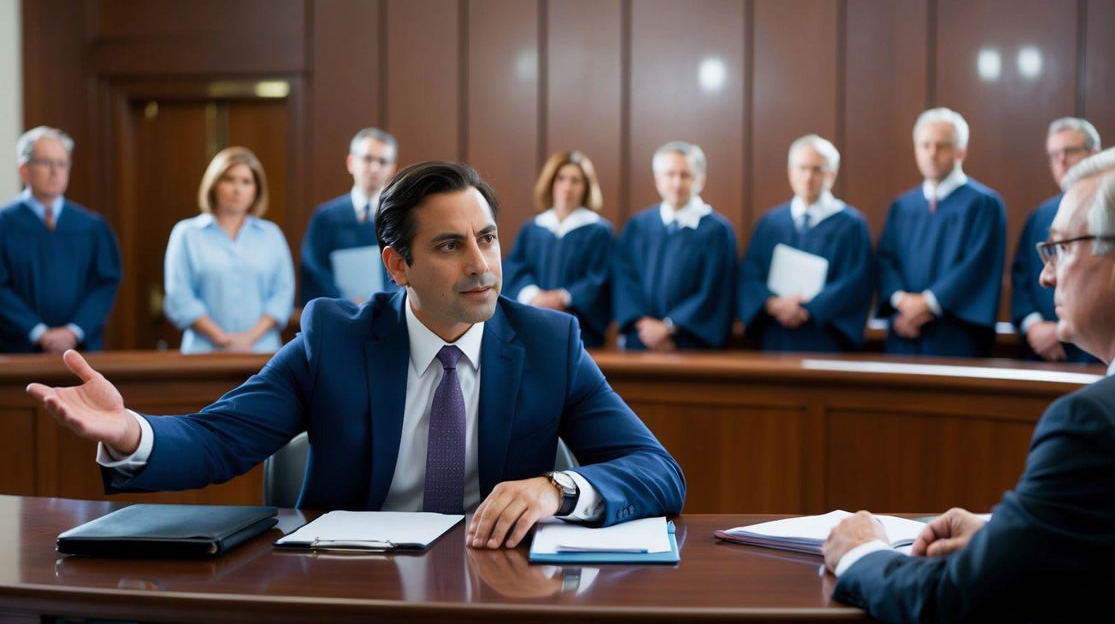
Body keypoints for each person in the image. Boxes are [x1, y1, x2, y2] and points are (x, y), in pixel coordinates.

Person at [27, 161, 685, 550]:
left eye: (487, 237)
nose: (484, 265)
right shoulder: (334, 337)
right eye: (451, 246)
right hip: (349, 584)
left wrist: (558, 489)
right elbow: (217, 440)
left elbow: (658, 471)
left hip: (500, 585)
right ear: (397, 265)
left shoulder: (550, 342)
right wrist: (129, 433)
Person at [822, 146, 1115, 623]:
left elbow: (953, 600)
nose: (1046, 276)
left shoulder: (1092, 423)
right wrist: (1009, 534)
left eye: (1061, 249)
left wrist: (860, 555)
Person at [875, 108, 1007, 357]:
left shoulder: (984, 204)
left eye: (941, 146)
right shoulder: (902, 206)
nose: (932, 154)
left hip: (954, 336)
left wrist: (929, 304)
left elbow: (977, 266)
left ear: (961, 151)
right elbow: (885, 261)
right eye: (925, 145)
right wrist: (901, 302)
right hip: (903, 333)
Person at [738, 135, 874, 352]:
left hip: (826, 337)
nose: (808, 177)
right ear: (790, 171)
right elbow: (750, 275)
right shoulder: (770, 223)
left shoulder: (852, 225)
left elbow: (856, 281)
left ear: (832, 174)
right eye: (801, 168)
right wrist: (773, 304)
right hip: (776, 335)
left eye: (817, 169)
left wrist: (810, 309)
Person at [0, 126, 121, 353]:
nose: (56, 172)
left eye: (62, 163)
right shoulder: (4, 223)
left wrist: (74, 330)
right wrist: (37, 331)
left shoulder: (92, 226)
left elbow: (105, 283)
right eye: (45, 162)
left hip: (80, 351)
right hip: (18, 351)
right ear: (24, 170)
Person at [162, 147, 295, 353]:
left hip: (262, 351)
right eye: (229, 179)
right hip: (203, 352)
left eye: (246, 182)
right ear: (214, 184)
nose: (237, 189)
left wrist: (249, 339)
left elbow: (282, 295)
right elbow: (180, 297)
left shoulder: (271, 235)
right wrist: (222, 339)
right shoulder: (186, 233)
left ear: (256, 189)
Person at [612, 141, 736, 351]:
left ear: (700, 180)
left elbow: (716, 291)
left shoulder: (717, 231)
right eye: (670, 174)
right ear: (657, 179)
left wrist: (669, 327)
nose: (677, 183)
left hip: (690, 344)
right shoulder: (638, 226)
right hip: (641, 341)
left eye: (685, 175)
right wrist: (643, 324)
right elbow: (625, 281)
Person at [1011, 118, 1101, 363]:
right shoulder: (1041, 215)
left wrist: (1064, 330)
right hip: (1040, 351)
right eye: (1054, 154)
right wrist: (1033, 326)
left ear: (1094, 155)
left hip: (1092, 349)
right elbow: (1022, 278)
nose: (1061, 160)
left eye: (1070, 151)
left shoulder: (1111, 211)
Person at [502, 150, 613, 348]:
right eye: (561, 179)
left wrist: (564, 297)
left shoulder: (599, 231)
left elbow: (599, 278)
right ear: (551, 183)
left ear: (586, 187)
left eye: (575, 180)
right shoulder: (533, 228)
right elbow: (514, 269)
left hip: (579, 330)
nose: (567, 187)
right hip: (532, 322)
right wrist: (533, 295)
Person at [301, 128, 400, 305]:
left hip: (389, 313)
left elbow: (407, 268)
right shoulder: (326, 217)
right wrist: (344, 302)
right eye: (367, 158)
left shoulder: (400, 217)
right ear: (351, 162)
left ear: (392, 169)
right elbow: (314, 270)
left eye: (382, 161)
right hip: (337, 314)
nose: (374, 167)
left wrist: (384, 301)